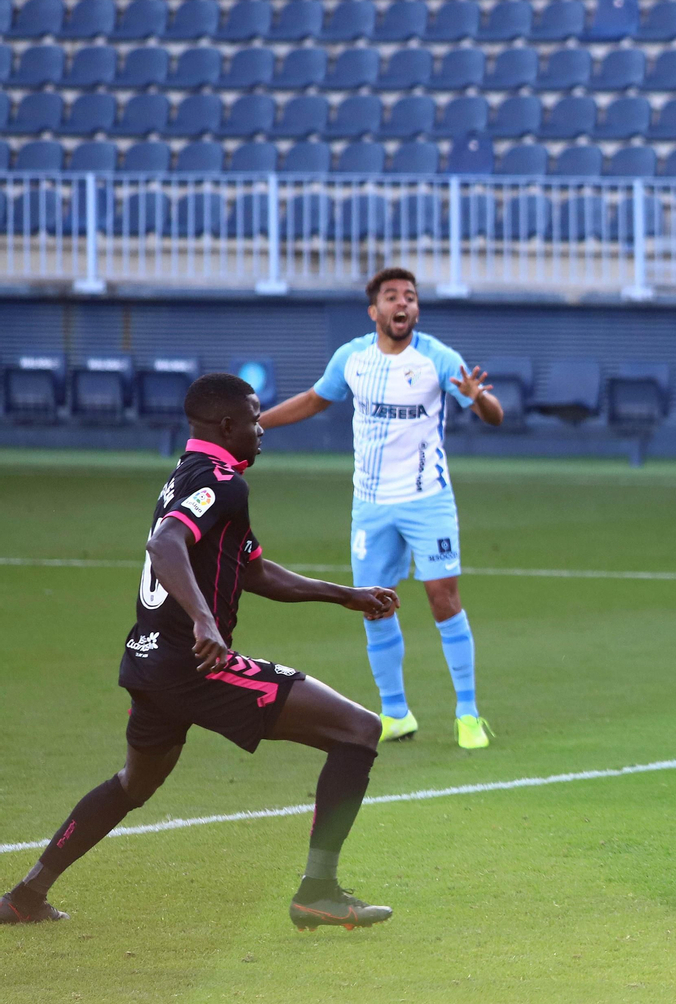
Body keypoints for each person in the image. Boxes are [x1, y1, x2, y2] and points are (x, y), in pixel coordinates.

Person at [1, 374, 398, 929]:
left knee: (132, 784)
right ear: (227, 425)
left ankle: (25, 895)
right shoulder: (223, 482)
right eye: (256, 420)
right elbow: (165, 543)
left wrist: (344, 595)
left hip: (149, 658)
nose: (263, 430)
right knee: (358, 730)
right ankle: (319, 891)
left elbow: (252, 568)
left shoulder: (188, 476)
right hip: (190, 662)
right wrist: (205, 622)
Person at [261, 267, 504, 749]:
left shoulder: (438, 358)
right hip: (370, 507)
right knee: (373, 603)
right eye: (392, 297)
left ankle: (468, 713)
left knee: (443, 597)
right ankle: (395, 713)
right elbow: (314, 399)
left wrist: (479, 400)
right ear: (375, 311)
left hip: (427, 501)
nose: (402, 304)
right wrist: (255, 424)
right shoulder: (352, 358)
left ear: (416, 310)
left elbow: (494, 415)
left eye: (410, 297)